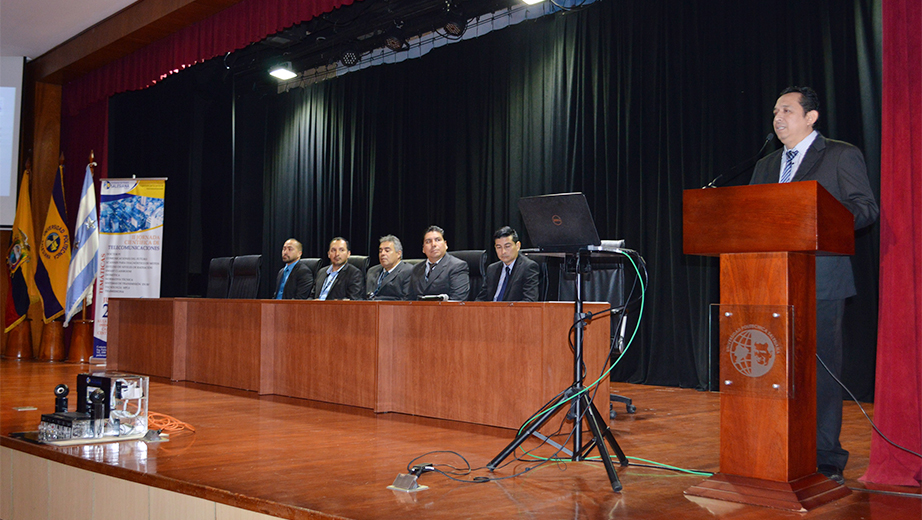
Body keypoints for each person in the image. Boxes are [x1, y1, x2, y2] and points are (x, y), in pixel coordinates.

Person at [749, 86, 879, 485]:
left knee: (821, 370)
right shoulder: (767, 165)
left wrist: (817, 216)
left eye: (787, 110)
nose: (778, 118)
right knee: (774, 368)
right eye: (774, 111)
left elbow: (865, 209)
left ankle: (826, 454)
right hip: (771, 279)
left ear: (811, 117)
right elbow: (751, 215)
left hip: (822, 279)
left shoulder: (840, 155)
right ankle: (773, 444)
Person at [477, 226, 540, 302]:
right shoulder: (492, 269)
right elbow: (481, 299)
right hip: (491, 312)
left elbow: (529, 301)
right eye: (499, 247)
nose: (503, 251)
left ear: (517, 246)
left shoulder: (528, 267)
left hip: (513, 312)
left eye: (507, 246)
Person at [408, 225, 470, 301]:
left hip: (446, 312)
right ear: (423, 249)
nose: (433, 244)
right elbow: (409, 300)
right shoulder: (416, 269)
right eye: (428, 241)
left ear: (445, 244)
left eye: (437, 240)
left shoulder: (457, 266)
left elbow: (458, 300)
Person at [366, 235, 412, 300]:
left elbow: (405, 300)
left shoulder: (408, 271)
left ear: (398, 254)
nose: (382, 254)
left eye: (387, 251)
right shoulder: (372, 271)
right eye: (380, 251)